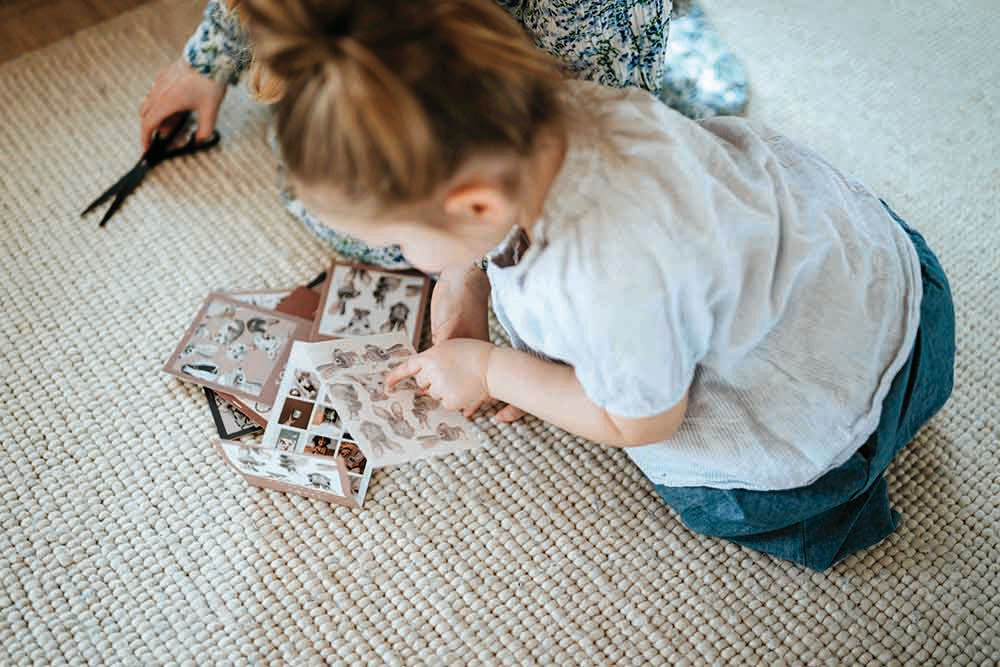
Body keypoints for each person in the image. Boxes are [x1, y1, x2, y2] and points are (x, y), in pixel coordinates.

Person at [235, 0, 955, 570]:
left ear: (478, 206)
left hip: (842, 411)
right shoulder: (580, 100)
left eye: (396, 237)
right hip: (897, 279)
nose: (392, 252)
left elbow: (642, 421)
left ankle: (839, 485)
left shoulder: (600, 279)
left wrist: (496, 368)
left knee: (705, 491)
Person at [139, 0, 747, 268]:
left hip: (570, 75)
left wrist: (470, 273)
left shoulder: (603, 272)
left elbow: (585, 119)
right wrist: (208, 59)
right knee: (342, 191)